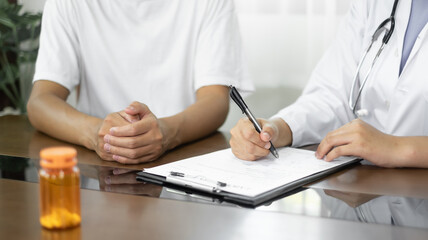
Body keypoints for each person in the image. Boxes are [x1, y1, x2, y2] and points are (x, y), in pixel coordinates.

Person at [27, 0, 253, 164]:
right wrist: (97, 133)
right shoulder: (68, 4)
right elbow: (41, 102)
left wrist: (165, 132)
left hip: (183, 163)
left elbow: (215, 100)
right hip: (99, 169)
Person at [230, 0, 428, 168]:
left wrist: (398, 148)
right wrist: (278, 129)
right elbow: (331, 95)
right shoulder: (373, 4)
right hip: (366, 190)